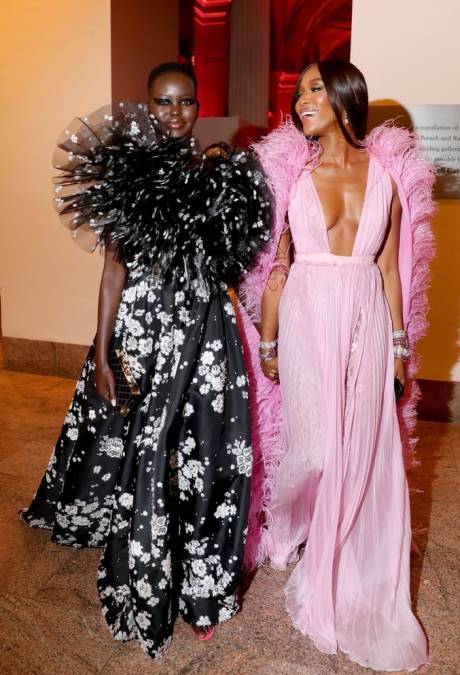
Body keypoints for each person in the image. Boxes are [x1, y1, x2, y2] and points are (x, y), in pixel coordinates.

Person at [21, 62, 271, 658]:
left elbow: (230, 267)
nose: (175, 113)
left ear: (199, 104)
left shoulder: (220, 172)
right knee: (140, 437)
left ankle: (198, 565)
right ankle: (141, 545)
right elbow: (112, 272)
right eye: (163, 102)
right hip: (139, 325)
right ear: (147, 105)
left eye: (186, 101)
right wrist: (103, 351)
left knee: (202, 446)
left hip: (203, 332)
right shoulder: (124, 173)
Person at [238, 60, 435, 671]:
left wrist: (401, 346)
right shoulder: (292, 179)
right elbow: (278, 269)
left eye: (315, 89)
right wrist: (268, 343)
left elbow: (388, 270)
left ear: (346, 98)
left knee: (362, 445)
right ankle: (295, 524)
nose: (301, 100)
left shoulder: (387, 181)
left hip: (367, 322)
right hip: (305, 319)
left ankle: (347, 551)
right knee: (316, 446)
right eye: (298, 92)